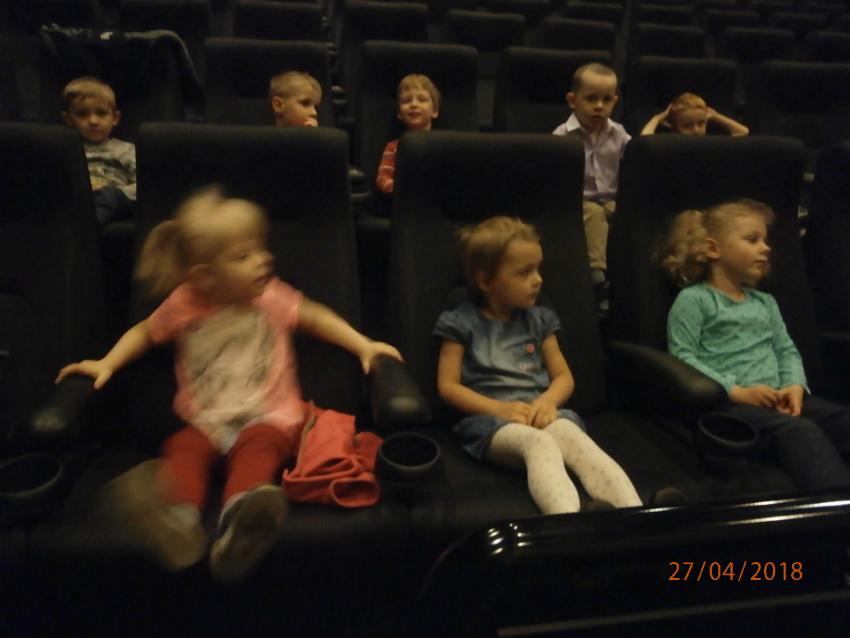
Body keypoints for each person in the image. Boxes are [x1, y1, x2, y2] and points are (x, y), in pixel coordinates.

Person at [56, 186, 402, 581]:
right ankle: (176, 523)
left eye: (260, 249)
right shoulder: (184, 304)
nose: (263, 259)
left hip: (268, 415)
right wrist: (107, 363)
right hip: (207, 419)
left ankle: (242, 518)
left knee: (259, 448)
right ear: (204, 276)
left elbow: (315, 317)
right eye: (243, 256)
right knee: (183, 448)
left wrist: (363, 345)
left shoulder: (270, 297)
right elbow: (145, 332)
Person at [434, 216, 643, 514]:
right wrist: (499, 409)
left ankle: (634, 516)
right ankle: (567, 524)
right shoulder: (460, 323)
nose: (538, 279)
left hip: (542, 413)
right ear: (485, 281)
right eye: (524, 272)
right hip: (490, 423)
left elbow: (563, 377)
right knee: (539, 445)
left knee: (580, 443)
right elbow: (448, 387)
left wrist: (548, 401)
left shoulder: (540, 320)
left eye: (538, 269)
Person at [662, 199, 850, 490]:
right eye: (752, 240)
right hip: (729, 407)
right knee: (800, 431)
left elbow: (786, 350)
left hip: (780, 400)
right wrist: (736, 391)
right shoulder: (694, 300)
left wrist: (794, 386)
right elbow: (683, 358)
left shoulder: (765, 302)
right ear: (713, 249)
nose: (766, 248)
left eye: (765, 240)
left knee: (843, 421)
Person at [552, 63, 629, 308]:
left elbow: (639, 157)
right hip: (578, 202)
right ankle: (597, 279)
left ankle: (629, 275)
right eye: (591, 98)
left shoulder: (619, 134)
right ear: (572, 100)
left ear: (615, 101)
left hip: (612, 201)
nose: (599, 106)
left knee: (622, 213)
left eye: (607, 99)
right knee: (594, 214)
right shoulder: (561, 136)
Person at [62, 76, 136, 225]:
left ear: (115, 118)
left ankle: (88, 227)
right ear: (69, 119)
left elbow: (145, 184)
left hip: (116, 200)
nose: (93, 121)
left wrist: (120, 192)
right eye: (82, 114)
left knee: (111, 195)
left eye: (101, 113)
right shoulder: (66, 150)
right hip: (79, 199)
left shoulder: (126, 149)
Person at [375, 74, 440, 195]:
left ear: (435, 111)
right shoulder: (393, 147)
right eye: (406, 101)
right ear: (399, 113)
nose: (414, 104)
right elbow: (382, 179)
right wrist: (405, 190)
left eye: (422, 100)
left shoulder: (443, 146)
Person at [641, 92, 749, 137]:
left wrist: (715, 116)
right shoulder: (670, 146)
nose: (696, 130)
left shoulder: (710, 144)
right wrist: (657, 118)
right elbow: (645, 140)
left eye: (701, 123)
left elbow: (743, 132)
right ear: (674, 128)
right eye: (687, 125)